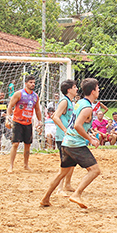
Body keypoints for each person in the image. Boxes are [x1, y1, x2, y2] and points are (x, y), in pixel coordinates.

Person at [40, 78, 101, 209]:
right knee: (95, 170)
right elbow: (78, 125)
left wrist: (89, 135)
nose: (99, 90)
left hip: (67, 143)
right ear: (93, 91)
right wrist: (90, 139)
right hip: (75, 144)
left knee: (62, 173)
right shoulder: (87, 108)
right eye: (98, 88)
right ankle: (77, 194)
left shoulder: (79, 103)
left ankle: (45, 198)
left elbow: (77, 126)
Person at [7, 75, 42, 172]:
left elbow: (38, 110)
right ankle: (11, 166)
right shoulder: (19, 94)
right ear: (26, 83)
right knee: (15, 144)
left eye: (34, 82)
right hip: (17, 121)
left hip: (28, 122)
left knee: (28, 144)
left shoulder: (35, 96)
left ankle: (26, 165)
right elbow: (10, 106)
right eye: (31, 82)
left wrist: (40, 121)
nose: (33, 84)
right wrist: (8, 117)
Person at [52, 79, 78, 193]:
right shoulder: (64, 101)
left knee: (72, 161)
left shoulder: (70, 102)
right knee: (65, 163)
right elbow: (55, 116)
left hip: (69, 137)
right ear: (69, 90)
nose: (76, 89)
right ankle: (59, 188)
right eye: (74, 87)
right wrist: (64, 130)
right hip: (63, 137)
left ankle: (67, 184)